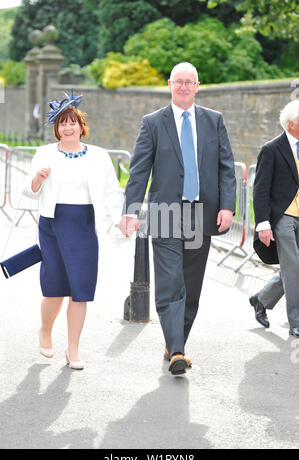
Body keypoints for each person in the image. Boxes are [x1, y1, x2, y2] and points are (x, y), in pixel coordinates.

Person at [119, 62, 236, 375]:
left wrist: (228, 206)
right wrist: (130, 211)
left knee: (191, 285)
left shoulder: (214, 121)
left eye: (190, 82)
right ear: (170, 85)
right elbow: (139, 169)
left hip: (201, 212)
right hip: (165, 213)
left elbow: (226, 166)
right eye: (178, 82)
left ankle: (174, 341)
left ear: (197, 86)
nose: (184, 87)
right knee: (171, 281)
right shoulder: (153, 123)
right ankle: (179, 352)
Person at [23, 90, 123, 369]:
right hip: (53, 225)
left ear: (81, 126)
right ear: (57, 129)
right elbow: (28, 191)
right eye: (62, 123)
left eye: (72, 122)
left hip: (83, 225)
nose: (68, 127)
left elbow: (112, 191)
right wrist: (38, 178)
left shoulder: (99, 156)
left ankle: (73, 349)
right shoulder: (44, 154)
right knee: (54, 288)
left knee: (80, 290)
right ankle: (45, 331)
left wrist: (121, 219)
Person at [250, 100, 299, 337]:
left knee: (294, 268)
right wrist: (263, 223)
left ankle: (261, 299)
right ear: (292, 124)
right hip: (283, 217)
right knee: (294, 268)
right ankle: (296, 322)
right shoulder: (271, 149)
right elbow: (260, 190)